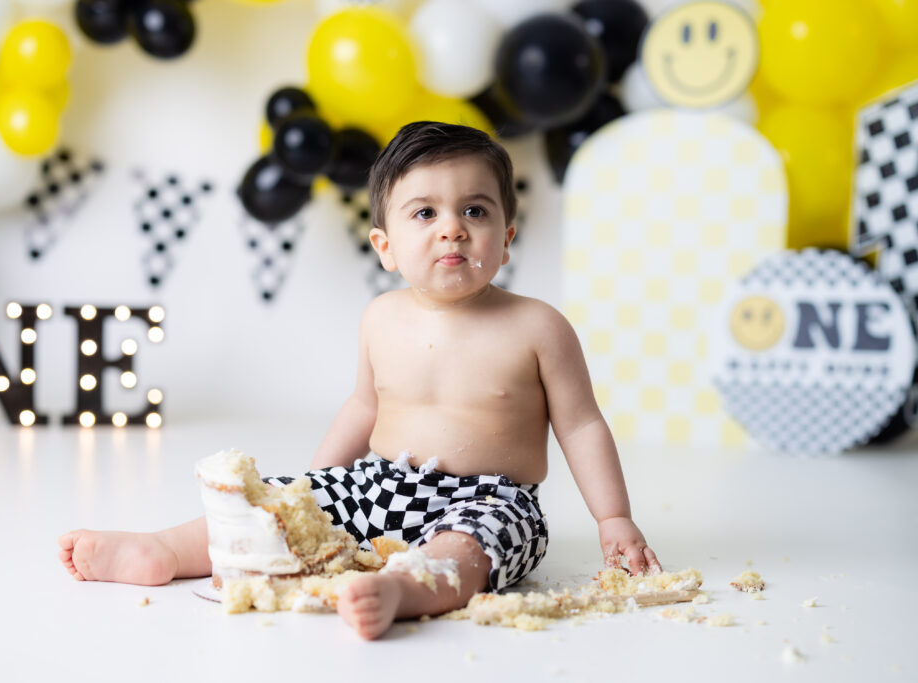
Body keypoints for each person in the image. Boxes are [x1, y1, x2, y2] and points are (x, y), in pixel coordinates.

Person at [58, 121, 661, 640]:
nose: (451, 228)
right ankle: (162, 549)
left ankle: (405, 591)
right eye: (425, 213)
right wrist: (312, 491)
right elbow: (363, 406)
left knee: (474, 549)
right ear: (386, 246)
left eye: (474, 210)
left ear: (505, 239)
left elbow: (581, 424)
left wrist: (613, 518)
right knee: (270, 505)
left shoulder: (538, 327)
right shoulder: (381, 318)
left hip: (491, 497)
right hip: (379, 482)